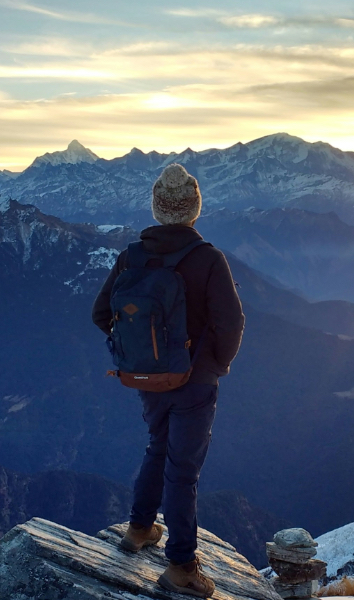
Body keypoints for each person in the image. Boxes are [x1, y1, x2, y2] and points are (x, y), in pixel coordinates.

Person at [91, 163, 245, 598]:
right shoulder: (208, 259)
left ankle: (139, 529)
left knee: (157, 446)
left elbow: (101, 315)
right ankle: (180, 567)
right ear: (195, 209)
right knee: (184, 471)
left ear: (157, 209)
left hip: (146, 377)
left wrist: (137, 352)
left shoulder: (131, 256)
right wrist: (216, 364)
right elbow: (231, 325)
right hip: (194, 382)